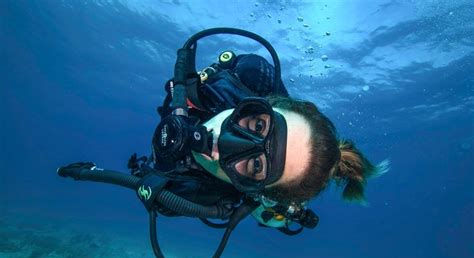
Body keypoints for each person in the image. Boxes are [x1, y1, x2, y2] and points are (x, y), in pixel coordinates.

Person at [147, 51, 388, 230]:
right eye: (258, 125)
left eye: (256, 166)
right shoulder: (249, 76)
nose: (220, 142)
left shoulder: (179, 195)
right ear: (269, 102)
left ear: (260, 190)